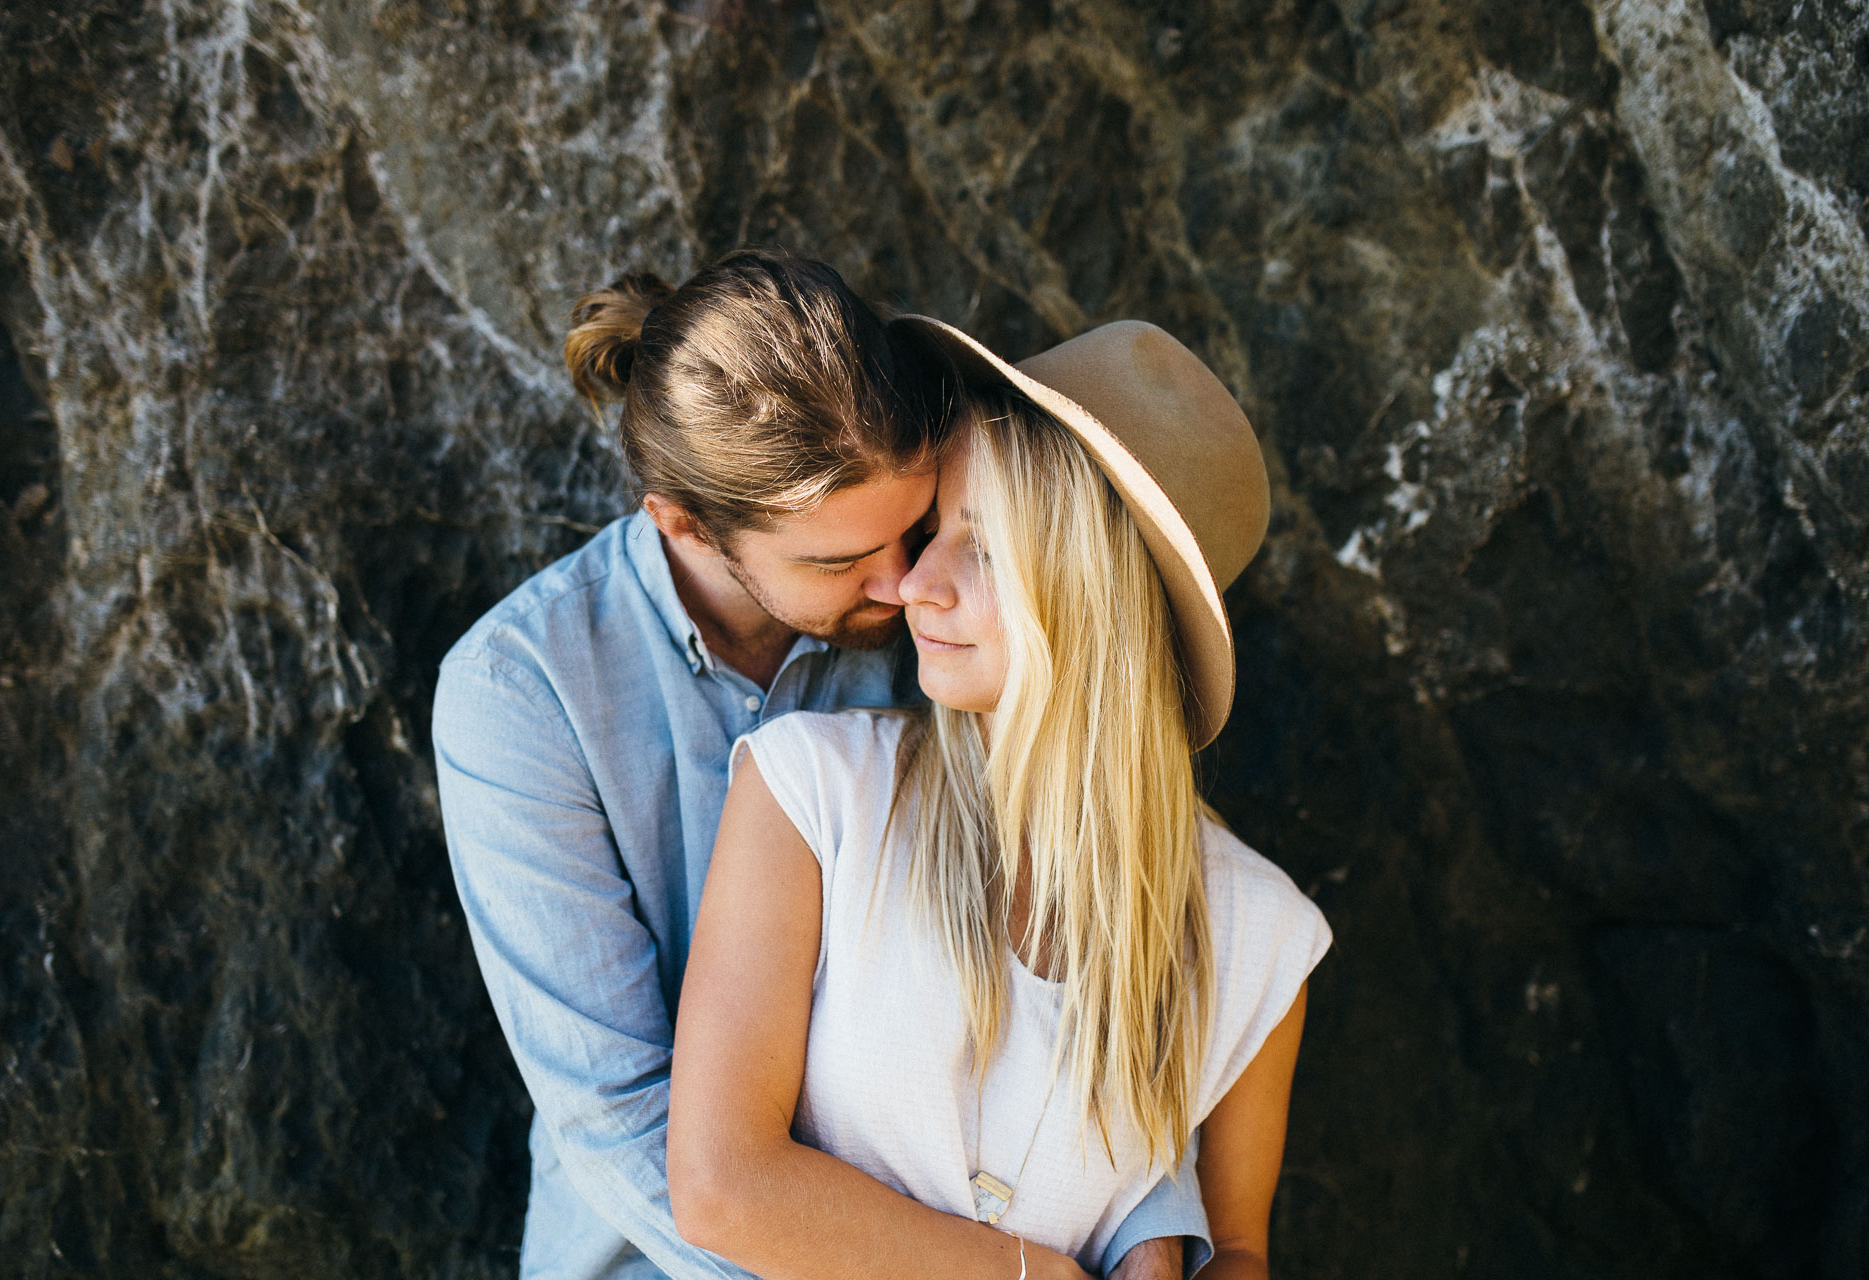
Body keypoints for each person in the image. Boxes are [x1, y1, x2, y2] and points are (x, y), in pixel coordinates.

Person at [432, 251, 1208, 1280]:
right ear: (685, 521)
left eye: (912, 525)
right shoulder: (518, 694)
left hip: (988, 1223)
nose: (901, 585)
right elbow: (619, 1114)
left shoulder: (944, 613)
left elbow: (1070, 939)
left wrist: (1145, 1221)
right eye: (839, 561)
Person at [667, 317, 1332, 1279]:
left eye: (981, 548)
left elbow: (1233, 1250)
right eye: (935, 531)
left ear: (1094, 601)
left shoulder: (1259, 934)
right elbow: (721, 1184)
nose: (914, 585)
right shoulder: (812, 793)